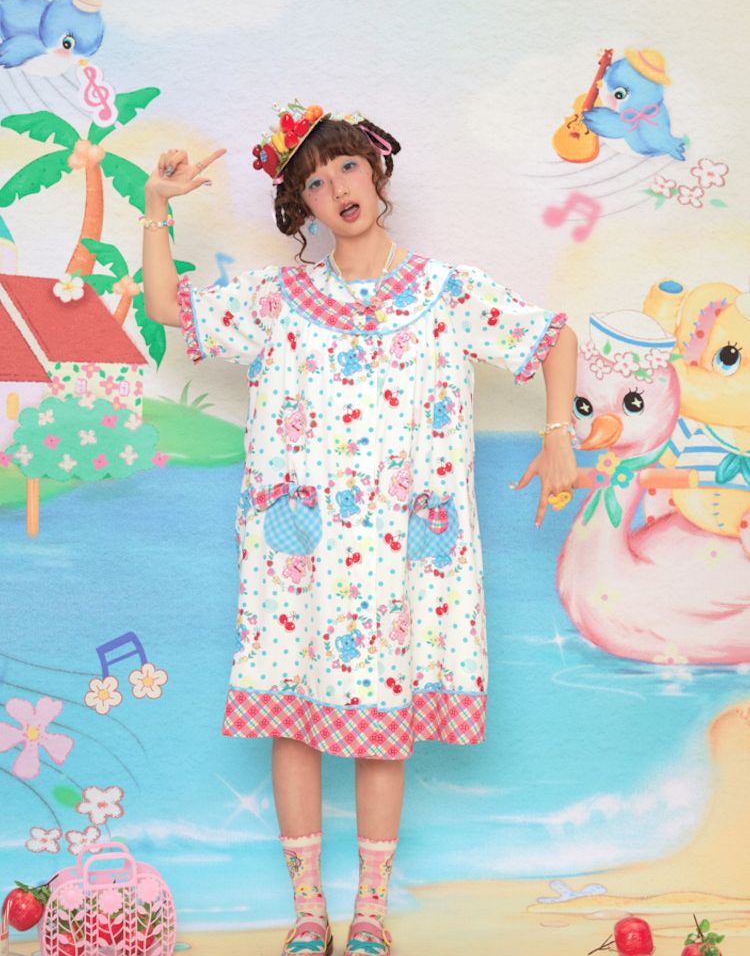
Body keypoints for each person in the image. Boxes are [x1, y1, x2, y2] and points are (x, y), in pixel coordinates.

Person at [141, 101, 579, 956]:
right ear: (300, 208)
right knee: (290, 713)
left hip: (403, 558)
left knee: (386, 720)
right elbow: (166, 307)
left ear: (375, 171)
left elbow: (552, 339)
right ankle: (309, 911)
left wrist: (557, 433)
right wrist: (157, 206)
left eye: (345, 166)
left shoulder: (446, 293)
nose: (335, 186)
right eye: (312, 181)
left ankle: (370, 911)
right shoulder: (280, 299)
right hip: (297, 555)